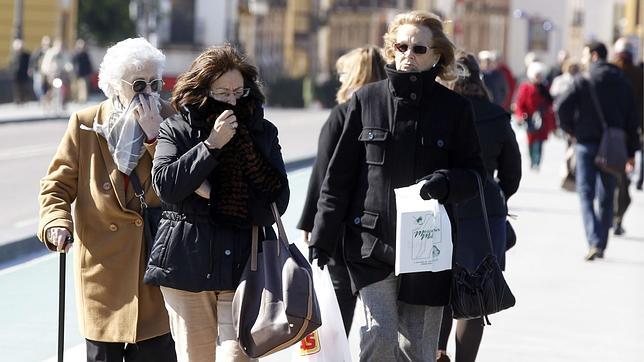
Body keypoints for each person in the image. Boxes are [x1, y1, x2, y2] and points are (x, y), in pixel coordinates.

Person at [308, 11, 486, 362]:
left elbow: (475, 176)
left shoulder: (456, 109)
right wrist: (322, 237)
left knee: (417, 351)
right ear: (391, 49)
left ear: (437, 55)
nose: (409, 55)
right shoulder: (366, 101)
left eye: (419, 48)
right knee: (379, 338)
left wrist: (445, 182)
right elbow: (338, 178)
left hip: (429, 248)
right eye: (401, 46)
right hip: (372, 246)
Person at [144, 45, 289, 362]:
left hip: (244, 266)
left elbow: (278, 199)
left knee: (237, 356)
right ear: (201, 91)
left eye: (239, 91)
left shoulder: (262, 132)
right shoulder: (177, 129)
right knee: (195, 357)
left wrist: (214, 194)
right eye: (223, 93)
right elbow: (167, 186)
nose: (234, 101)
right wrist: (210, 146)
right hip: (187, 266)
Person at [38, 37, 176, 361]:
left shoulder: (171, 118)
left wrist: (156, 136)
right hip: (102, 274)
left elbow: (180, 182)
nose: (148, 94)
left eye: (154, 84)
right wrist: (56, 223)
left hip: (154, 270)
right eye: (138, 84)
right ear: (115, 87)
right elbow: (56, 185)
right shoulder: (86, 125)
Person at [436, 52, 522, 362]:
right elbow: (512, 172)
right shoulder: (496, 115)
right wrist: (499, 197)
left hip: (442, 207)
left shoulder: (439, 112)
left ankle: (438, 349)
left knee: (440, 285)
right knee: (476, 290)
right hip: (485, 212)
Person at [298, 45, 387, 336]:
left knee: (339, 305)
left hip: (340, 225)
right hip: (378, 227)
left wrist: (312, 221)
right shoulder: (388, 112)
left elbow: (324, 172)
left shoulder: (342, 113)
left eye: (343, 73)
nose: (340, 79)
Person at [555, 41, 639, 260]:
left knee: (585, 193)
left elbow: (561, 107)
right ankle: (601, 241)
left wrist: (571, 130)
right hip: (613, 146)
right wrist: (631, 152)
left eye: (584, 55)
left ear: (593, 56)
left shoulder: (583, 79)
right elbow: (633, 119)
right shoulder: (622, 82)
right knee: (607, 193)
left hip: (586, 143)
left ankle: (593, 240)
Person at [610, 37, 643, 234]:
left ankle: (611, 216)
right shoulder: (639, 74)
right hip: (630, 133)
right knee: (623, 178)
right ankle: (617, 217)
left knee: (610, 178)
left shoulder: (611, 71)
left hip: (608, 132)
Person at [515, 61, 556, 170]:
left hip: (542, 119)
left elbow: (550, 103)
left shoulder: (545, 88)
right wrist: (520, 115)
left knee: (540, 142)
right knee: (531, 141)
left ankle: (537, 161)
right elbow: (520, 103)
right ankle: (532, 160)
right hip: (529, 118)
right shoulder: (526, 87)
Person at [29, 35, 51, 102]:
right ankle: (42, 98)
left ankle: (49, 99)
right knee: (37, 86)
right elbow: (33, 60)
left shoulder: (51, 51)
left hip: (49, 72)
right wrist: (31, 68)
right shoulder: (38, 51)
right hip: (38, 71)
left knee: (49, 86)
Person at [9, 39, 31, 104]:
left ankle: (24, 98)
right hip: (16, 74)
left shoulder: (26, 55)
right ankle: (17, 99)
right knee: (16, 87)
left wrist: (29, 70)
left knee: (24, 86)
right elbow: (11, 64)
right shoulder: (13, 55)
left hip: (24, 73)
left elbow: (29, 63)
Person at [72, 38, 93, 103]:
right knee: (75, 87)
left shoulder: (85, 54)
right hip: (76, 73)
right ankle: (75, 99)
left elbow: (89, 64)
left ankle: (82, 100)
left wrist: (89, 72)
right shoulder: (75, 54)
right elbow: (72, 63)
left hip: (84, 74)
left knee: (83, 87)